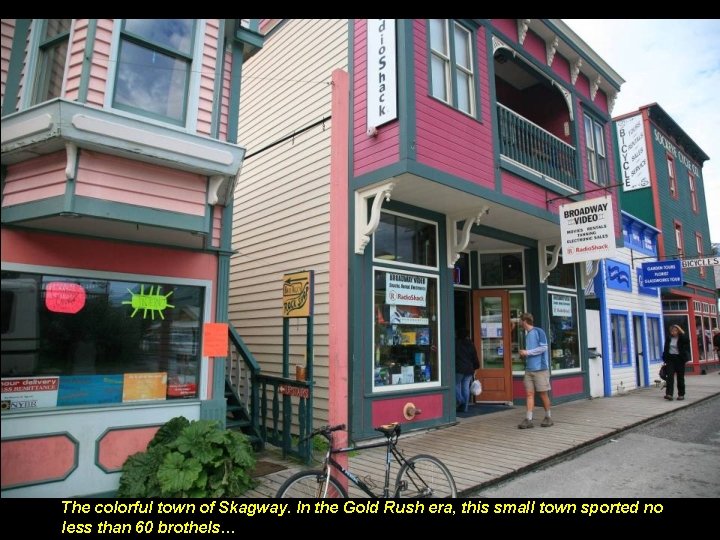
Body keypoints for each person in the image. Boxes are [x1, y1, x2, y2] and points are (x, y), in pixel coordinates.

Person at [518, 312, 553, 428]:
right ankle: (528, 419)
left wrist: (527, 352)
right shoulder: (527, 334)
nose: (519, 323)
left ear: (524, 321)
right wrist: (524, 355)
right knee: (529, 394)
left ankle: (548, 417)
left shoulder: (539, 331)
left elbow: (544, 347)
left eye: (520, 321)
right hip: (529, 369)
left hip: (541, 369)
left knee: (543, 394)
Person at [662, 324, 691, 400]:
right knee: (670, 377)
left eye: (675, 330)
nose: (673, 332)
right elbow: (666, 348)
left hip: (679, 359)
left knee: (680, 377)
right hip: (670, 359)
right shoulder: (669, 338)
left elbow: (687, 342)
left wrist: (682, 333)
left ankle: (681, 394)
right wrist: (664, 358)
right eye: (672, 331)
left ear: (678, 331)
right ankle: (669, 394)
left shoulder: (682, 337)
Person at [455, 328, 479, 412]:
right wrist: (476, 367)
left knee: (455, 385)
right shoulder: (470, 344)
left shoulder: (456, 343)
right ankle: (465, 407)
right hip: (469, 368)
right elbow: (474, 356)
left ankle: (461, 401)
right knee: (465, 387)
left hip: (459, 368)